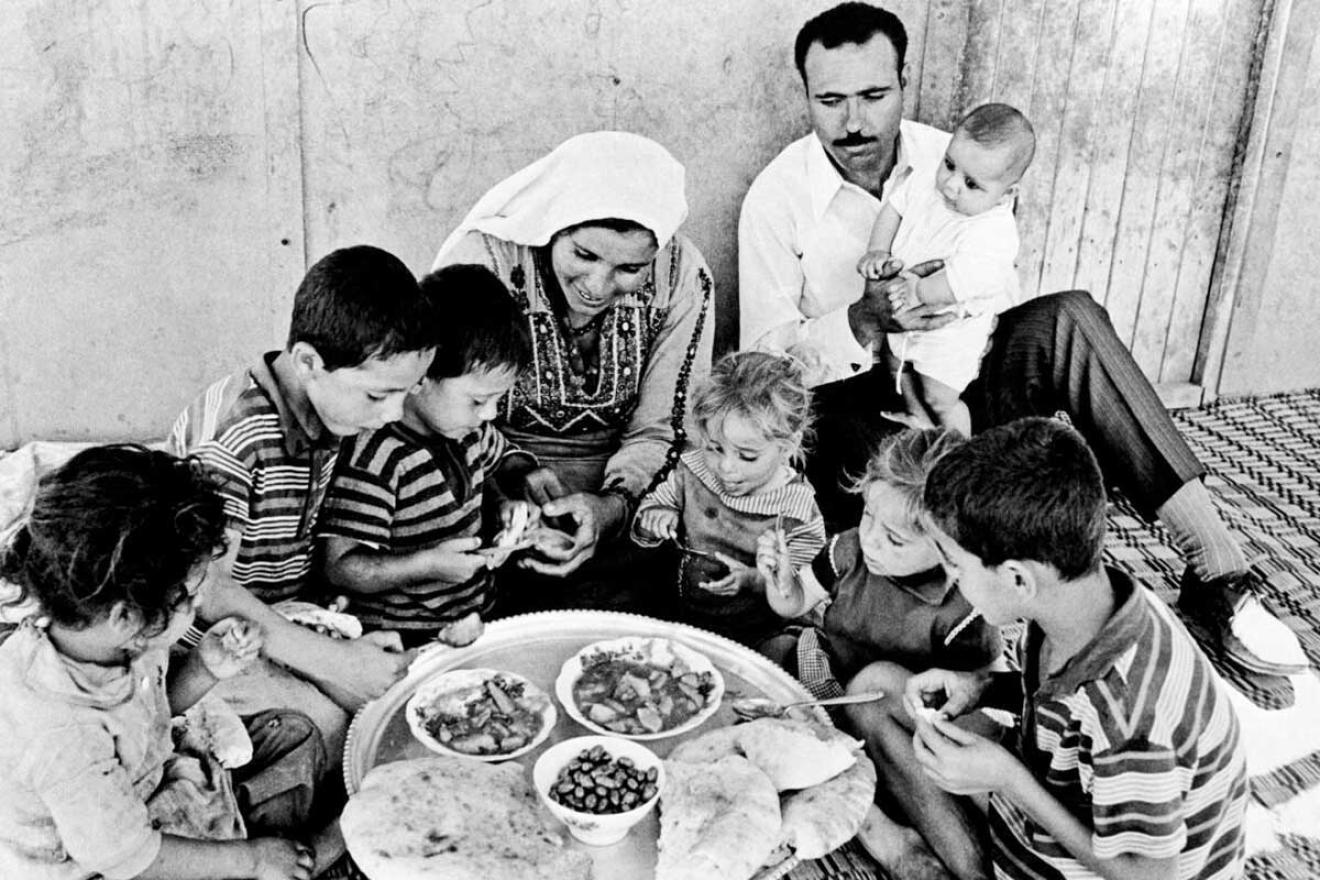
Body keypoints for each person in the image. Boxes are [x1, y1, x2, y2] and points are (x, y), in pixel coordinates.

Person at [737, 0, 1306, 686]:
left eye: (874, 95)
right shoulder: (778, 198)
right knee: (905, 488)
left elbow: (992, 277)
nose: (855, 122)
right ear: (805, 95)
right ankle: (1025, 625)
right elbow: (766, 372)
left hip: (955, 375)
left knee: (1068, 317)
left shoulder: (955, 155)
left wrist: (945, 317)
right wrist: (865, 321)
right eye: (831, 100)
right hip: (858, 410)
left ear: (905, 83)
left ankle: (1218, 569)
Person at [910, 418, 1247, 880]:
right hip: (1064, 795)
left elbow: (1149, 876)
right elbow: (1057, 699)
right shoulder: (1079, 601)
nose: (952, 581)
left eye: (955, 565)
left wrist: (1009, 778)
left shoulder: (1130, 720)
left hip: (1115, 865)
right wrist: (983, 687)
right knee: (883, 688)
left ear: (1016, 579)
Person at [169, 244, 436, 758]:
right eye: (378, 396)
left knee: (402, 704)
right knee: (334, 730)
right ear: (308, 361)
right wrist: (332, 660)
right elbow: (206, 588)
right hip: (203, 646)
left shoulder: (327, 405)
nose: (392, 415)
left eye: (405, 393)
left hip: (278, 613)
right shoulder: (237, 439)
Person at [0, 445, 315, 880]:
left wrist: (206, 668)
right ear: (126, 617)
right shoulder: (62, 735)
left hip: (145, 783)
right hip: (103, 862)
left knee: (296, 736)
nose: (201, 601)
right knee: (264, 849)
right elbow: (128, 859)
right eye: (187, 596)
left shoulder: (110, 639)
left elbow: (149, 716)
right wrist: (255, 858)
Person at [432, 131, 715, 614]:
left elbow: (667, 428)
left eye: (629, 268)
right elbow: (441, 412)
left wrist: (611, 508)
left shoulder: (682, 276)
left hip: (631, 502)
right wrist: (510, 480)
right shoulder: (489, 264)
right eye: (583, 255)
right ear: (552, 226)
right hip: (488, 486)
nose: (598, 286)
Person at [756, 428, 1000, 880]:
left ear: (949, 550)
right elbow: (794, 605)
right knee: (766, 663)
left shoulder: (963, 608)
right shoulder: (850, 549)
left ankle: (962, 863)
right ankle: (887, 833)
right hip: (831, 680)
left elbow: (980, 699)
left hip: (899, 723)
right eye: (868, 516)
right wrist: (780, 582)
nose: (872, 540)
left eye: (895, 539)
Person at [319, 264, 546, 650]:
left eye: (497, 400)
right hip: (402, 640)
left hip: (476, 619)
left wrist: (509, 507)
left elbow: (490, 471)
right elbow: (341, 566)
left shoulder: (468, 429)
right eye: (478, 399)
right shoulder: (377, 456)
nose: (490, 414)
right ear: (421, 377)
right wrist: (425, 565)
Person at [857, 103, 1036, 435]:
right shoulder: (927, 181)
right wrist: (877, 250)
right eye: (949, 165)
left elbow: (962, 279)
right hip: (901, 312)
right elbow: (893, 209)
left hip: (950, 330)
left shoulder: (994, 230)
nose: (951, 185)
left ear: (1005, 195)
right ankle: (917, 419)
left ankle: (957, 447)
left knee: (939, 395)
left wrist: (917, 291)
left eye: (971, 184)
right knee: (897, 366)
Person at [632, 351, 824, 649]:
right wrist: (656, 515)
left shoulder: (795, 509)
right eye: (714, 448)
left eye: (747, 456)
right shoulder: (692, 471)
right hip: (681, 617)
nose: (726, 467)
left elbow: (802, 588)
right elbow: (649, 517)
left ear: (788, 446)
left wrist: (753, 580)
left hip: (755, 634)